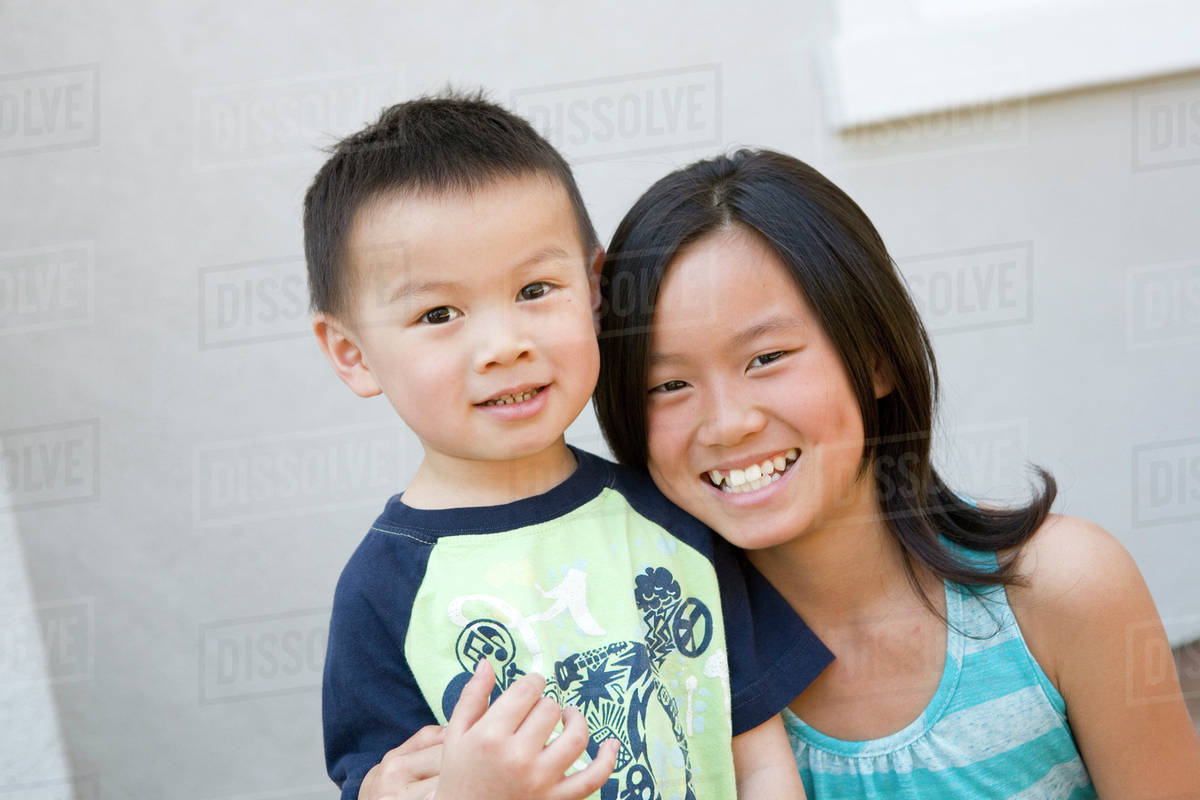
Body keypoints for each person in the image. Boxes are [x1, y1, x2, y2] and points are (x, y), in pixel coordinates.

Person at [590, 148, 1200, 797]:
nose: (726, 423)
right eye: (670, 383)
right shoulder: (651, 677)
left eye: (767, 357)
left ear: (876, 356)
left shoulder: (1062, 590)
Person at [304, 96, 832, 800]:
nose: (504, 345)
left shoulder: (674, 522)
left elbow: (757, 751)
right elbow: (384, 783)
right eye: (438, 314)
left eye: (535, 289)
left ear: (594, 289)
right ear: (352, 353)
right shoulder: (385, 590)